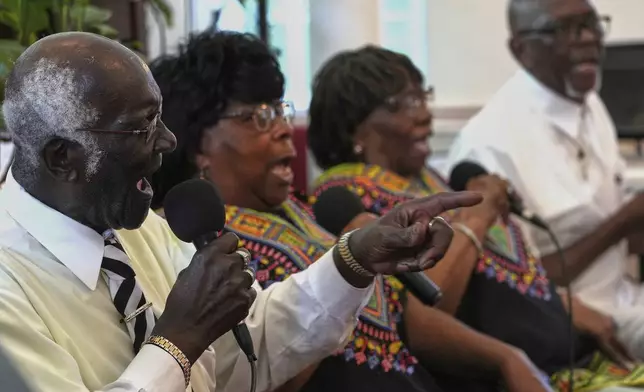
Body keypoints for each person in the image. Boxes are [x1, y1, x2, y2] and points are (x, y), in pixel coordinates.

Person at [0, 32, 479, 392]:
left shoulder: (137, 229)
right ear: (63, 157)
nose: (168, 140)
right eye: (140, 127)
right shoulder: (8, 289)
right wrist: (177, 341)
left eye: (161, 116)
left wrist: (354, 260)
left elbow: (247, 349)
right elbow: (186, 346)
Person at [149, 30, 554, 392]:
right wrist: (328, 295)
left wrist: (507, 358)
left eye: (281, 110)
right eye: (259, 117)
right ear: (198, 142)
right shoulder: (186, 244)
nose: (284, 128)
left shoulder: (305, 213)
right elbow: (251, 369)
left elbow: (403, 315)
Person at [307, 44, 644, 392]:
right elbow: (429, 302)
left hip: (574, 355)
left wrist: (562, 303)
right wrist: (478, 217)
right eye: (404, 104)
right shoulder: (349, 198)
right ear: (355, 130)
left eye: (423, 97)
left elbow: (504, 272)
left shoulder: (431, 180)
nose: (424, 114)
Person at [443, 0, 644, 360]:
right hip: (579, 323)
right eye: (564, 29)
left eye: (592, 25)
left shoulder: (589, 103)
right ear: (520, 49)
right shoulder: (488, 146)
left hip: (627, 296)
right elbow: (520, 286)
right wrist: (623, 221)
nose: (587, 39)